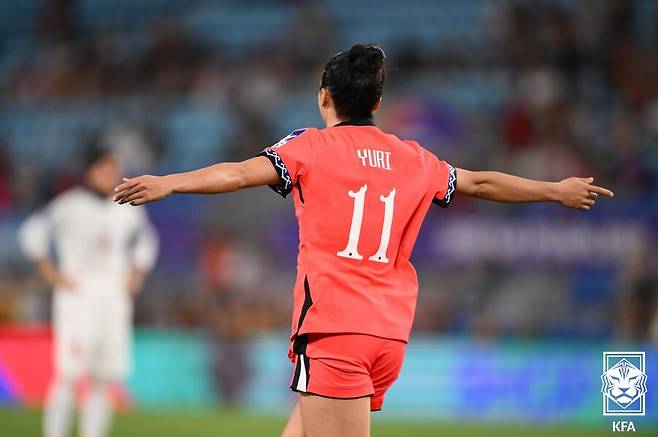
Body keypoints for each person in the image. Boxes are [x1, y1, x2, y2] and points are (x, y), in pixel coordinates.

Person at [113, 44, 613, 437]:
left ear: (323, 97)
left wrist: (169, 182)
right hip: (388, 333)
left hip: (335, 329)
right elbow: (480, 183)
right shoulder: (415, 158)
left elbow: (239, 174)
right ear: (377, 103)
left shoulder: (310, 147)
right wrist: (555, 190)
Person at [19, 144, 159, 437]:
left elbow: (147, 242)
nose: (110, 174)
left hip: (114, 297)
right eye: (103, 168)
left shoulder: (127, 208)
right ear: (89, 171)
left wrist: (134, 276)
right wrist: (52, 274)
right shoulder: (69, 205)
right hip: (78, 296)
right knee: (69, 374)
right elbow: (32, 233)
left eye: (113, 169)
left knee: (103, 377)